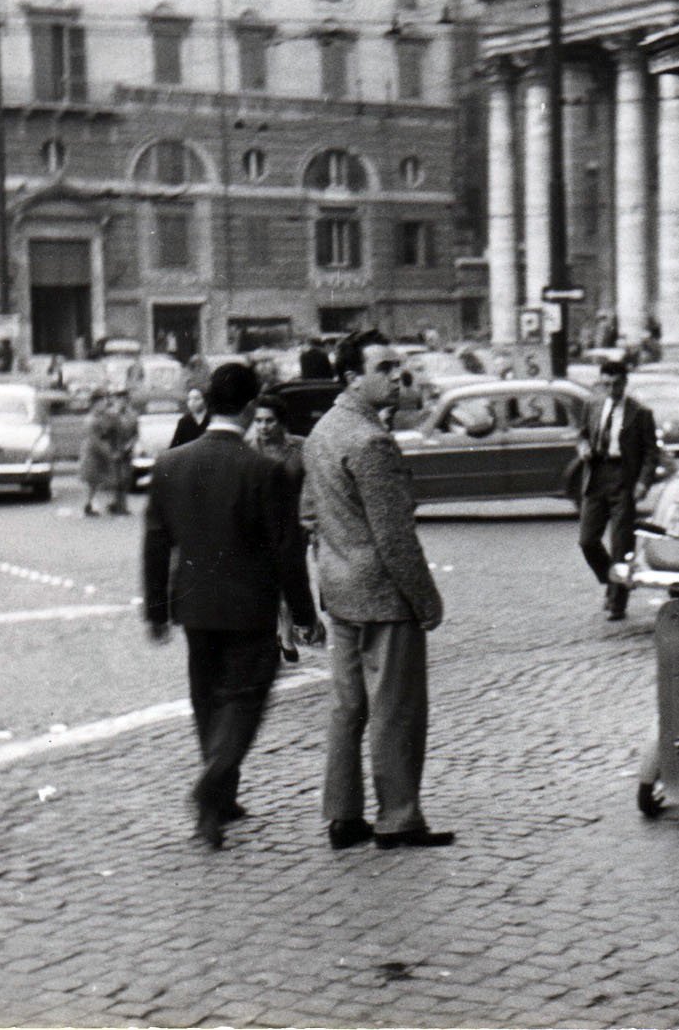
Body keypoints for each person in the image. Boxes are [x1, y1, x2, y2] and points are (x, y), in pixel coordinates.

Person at [142, 363, 318, 850]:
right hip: (250, 606)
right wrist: (303, 614)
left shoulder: (170, 463)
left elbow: (157, 543)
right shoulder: (265, 471)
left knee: (207, 697)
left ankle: (220, 797)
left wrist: (156, 610)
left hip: (195, 604)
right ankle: (212, 785)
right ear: (246, 408)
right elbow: (287, 552)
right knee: (245, 699)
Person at [304, 330, 452, 851]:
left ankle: (343, 815)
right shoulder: (371, 442)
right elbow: (395, 537)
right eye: (385, 368)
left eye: (398, 367)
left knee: (347, 707)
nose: (397, 377)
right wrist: (427, 601)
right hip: (384, 597)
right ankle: (399, 817)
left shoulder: (323, 431)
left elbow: (309, 514)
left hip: (339, 589)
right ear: (351, 378)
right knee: (396, 708)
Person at [576, 359, 661, 622]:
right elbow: (582, 435)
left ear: (625, 383)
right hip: (597, 475)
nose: (611, 388)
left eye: (616, 383)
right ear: (601, 383)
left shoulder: (640, 413)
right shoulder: (592, 405)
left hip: (624, 479)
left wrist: (643, 483)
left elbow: (651, 452)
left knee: (621, 544)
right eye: (606, 383)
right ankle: (611, 580)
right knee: (587, 540)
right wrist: (583, 449)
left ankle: (617, 603)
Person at [248, 392, 309, 663]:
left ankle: (286, 634)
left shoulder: (300, 448)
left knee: (288, 581)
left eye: (269, 421)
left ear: (281, 422)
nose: (263, 427)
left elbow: (313, 485)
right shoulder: (247, 450)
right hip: (258, 526)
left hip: (292, 526)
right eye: (259, 421)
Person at [81, 390, 137, 516]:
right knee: (93, 481)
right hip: (93, 454)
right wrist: (110, 453)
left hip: (101, 453)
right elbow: (96, 440)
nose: (104, 405)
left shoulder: (102, 416)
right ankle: (90, 506)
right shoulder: (92, 419)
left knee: (99, 481)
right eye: (101, 402)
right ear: (95, 404)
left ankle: (105, 504)